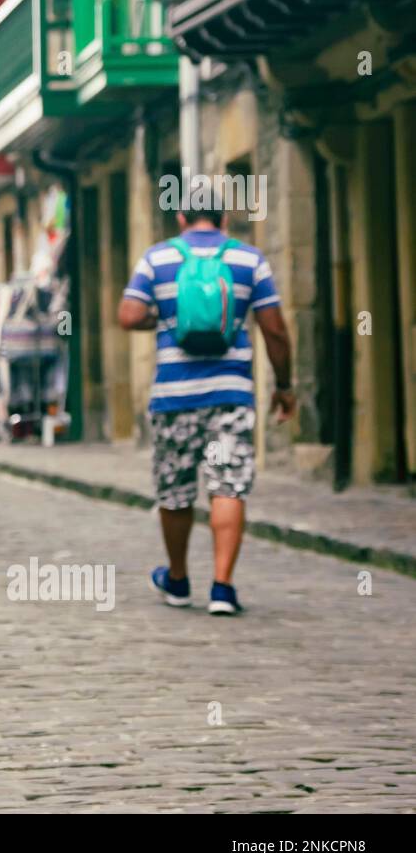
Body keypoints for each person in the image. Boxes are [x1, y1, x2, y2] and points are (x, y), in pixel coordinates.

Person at [118, 205, 295, 615]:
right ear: (224, 219)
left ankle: (177, 579)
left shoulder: (158, 258)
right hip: (230, 394)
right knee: (228, 485)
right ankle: (222, 587)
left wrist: (164, 319)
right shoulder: (249, 260)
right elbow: (274, 330)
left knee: (175, 488)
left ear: (181, 218)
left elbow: (128, 315)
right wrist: (284, 386)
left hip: (175, 396)